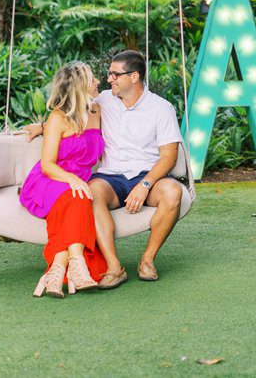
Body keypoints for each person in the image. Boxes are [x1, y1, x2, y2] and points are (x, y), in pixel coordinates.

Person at [25, 50, 185, 289]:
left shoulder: (161, 109)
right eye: (108, 74)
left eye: (114, 74)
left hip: (146, 175)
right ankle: (114, 267)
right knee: (91, 193)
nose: (108, 78)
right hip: (110, 177)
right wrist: (42, 127)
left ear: (134, 76)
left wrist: (145, 185)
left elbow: (169, 157)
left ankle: (147, 260)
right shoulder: (103, 101)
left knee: (173, 192)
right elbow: (70, 110)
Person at [19, 62, 106, 298]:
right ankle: (78, 263)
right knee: (79, 196)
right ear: (79, 87)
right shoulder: (57, 117)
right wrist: (71, 179)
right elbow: (47, 164)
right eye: (92, 79)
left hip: (77, 180)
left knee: (78, 197)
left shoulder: (97, 111)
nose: (98, 82)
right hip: (50, 178)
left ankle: (56, 269)